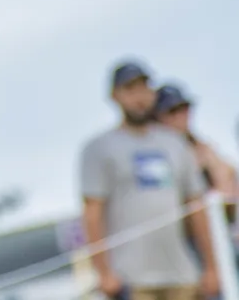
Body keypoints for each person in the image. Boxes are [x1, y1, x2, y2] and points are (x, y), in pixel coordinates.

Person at [80, 61, 222, 300]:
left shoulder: (175, 144)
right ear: (115, 96)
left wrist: (211, 267)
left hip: (183, 275)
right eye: (130, 89)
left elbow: (197, 209)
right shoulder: (99, 149)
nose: (139, 98)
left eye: (144, 88)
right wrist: (103, 272)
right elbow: (92, 213)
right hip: (131, 280)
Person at [155, 83, 239, 202]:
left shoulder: (202, 147)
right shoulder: (152, 149)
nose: (180, 116)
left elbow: (228, 179)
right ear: (158, 116)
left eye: (184, 108)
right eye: (172, 111)